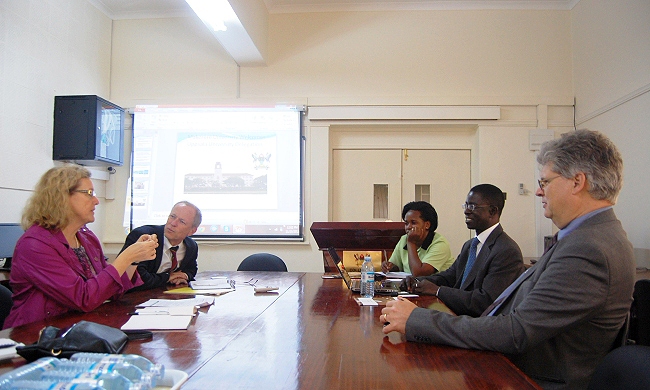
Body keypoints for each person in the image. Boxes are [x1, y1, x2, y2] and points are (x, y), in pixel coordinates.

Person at [381, 130, 635, 389]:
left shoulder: (589, 248)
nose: (538, 191)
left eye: (545, 182)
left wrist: (417, 320)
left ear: (577, 182)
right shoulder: (590, 237)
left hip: (529, 376)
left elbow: (516, 332)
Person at [4, 166, 157, 329]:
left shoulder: (86, 237)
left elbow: (109, 291)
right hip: (36, 336)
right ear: (61, 197)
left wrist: (133, 259)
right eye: (89, 193)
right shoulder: (34, 244)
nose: (96, 201)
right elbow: (84, 298)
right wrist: (126, 257)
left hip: (77, 327)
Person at [401, 184, 524, 316]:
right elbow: (450, 277)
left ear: (492, 211)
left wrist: (438, 291)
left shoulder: (506, 250)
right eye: (465, 206)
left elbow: (485, 301)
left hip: (477, 325)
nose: (466, 211)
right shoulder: (470, 245)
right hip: (457, 315)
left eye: (472, 207)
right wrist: (418, 281)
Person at [121, 201, 201, 290]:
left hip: (166, 295)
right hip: (134, 296)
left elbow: (191, 269)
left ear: (192, 231)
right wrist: (167, 277)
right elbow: (137, 279)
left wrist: (184, 276)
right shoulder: (143, 237)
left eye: (181, 221)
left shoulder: (191, 246)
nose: (173, 223)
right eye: (172, 216)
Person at [382, 201, 454, 276]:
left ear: (427, 225)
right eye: (406, 223)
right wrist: (389, 267)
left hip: (435, 287)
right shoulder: (404, 239)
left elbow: (419, 274)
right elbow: (397, 266)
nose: (408, 227)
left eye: (413, 223)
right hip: (411, 286)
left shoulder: (440, 244)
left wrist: (411, 243)